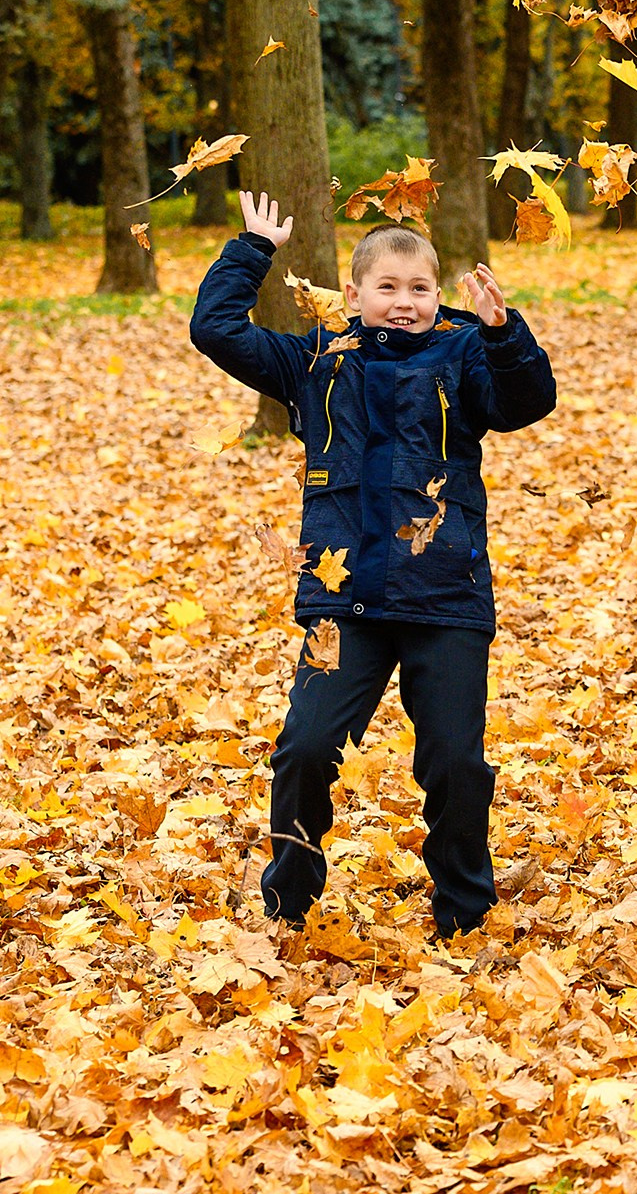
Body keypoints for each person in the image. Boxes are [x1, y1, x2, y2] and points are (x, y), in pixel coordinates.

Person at [189, 193, 556, 939]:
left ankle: (464, 913)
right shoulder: (317, 359)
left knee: (455, 763)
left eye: (419, 288)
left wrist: (503, 333)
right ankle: (288, 906)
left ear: (437, 295)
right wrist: (252, 250)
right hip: (343, 600)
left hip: (445, 596)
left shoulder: (463, 353)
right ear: (354, 295)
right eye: (387, 287)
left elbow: (527, 401)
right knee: (306, 747)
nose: (404, 302)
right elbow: (216, 330)